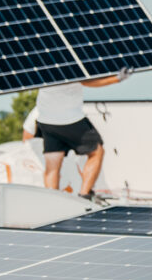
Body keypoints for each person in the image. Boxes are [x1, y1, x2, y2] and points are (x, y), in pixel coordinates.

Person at [32, 68, 130, 201]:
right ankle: (84, 195)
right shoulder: (68, 59)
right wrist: (117, 78)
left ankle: (52, 201)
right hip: (70, 118)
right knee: (96, 152)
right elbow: (87, 82)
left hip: (46, 119)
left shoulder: (42, 61)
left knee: (52, 164)